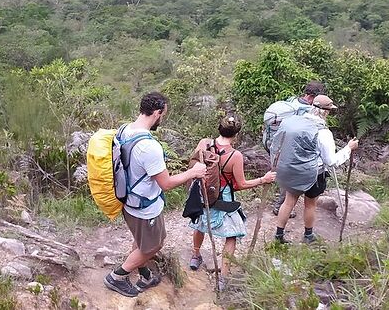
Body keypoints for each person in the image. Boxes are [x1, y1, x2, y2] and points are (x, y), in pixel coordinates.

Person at [104, 92, 207, 298]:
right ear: (157, 112)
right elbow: (166, 183)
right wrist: (193, 172)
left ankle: (145, 274)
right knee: (153, 246)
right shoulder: (149, 147)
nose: (163, 119)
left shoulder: (124, 130)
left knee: (141, 240)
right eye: (163, 115)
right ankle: (117, 276)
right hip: (144, 207)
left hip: (127, 200)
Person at [189, 115, 276, 290]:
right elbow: (241, 184)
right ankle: (224, 276)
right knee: (233, 233)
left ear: (218, 128)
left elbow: (193, 164)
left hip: (203, 194)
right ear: (236, 134)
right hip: (223, 198)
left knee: (200, 224)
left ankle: (195, 256)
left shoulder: (205, 144)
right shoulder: (235, 156)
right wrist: (263, 179)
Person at [273, 95, 358, 244]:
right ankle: (308, 236)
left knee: (288, 202)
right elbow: (330, 161)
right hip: (313, 173)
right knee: (310, 204)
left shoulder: (294, 121)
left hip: (291, 169)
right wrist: (348, 149)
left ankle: (278, 236)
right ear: (326, 112)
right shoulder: (323, 132)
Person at [271, 81, 327, 218]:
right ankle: (280, 206)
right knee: (291, 180)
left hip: (278, 144)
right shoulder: (306, 111)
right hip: (292, 149)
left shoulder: (292, 101)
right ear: (312, 97)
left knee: (286, 176)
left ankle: (282, 205)